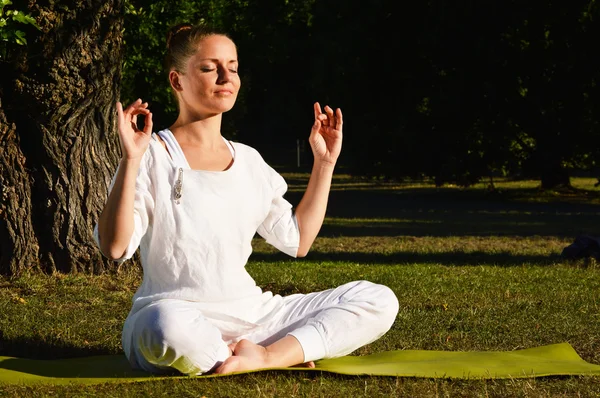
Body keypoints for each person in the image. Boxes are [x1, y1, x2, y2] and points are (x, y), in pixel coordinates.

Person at [94, 23, 399, 376]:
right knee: (162, 328)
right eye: (210, 68)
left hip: (254, 315)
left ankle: (264, 356)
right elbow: (114, 248)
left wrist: (324, 164)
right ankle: (262, 353)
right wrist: (130, 159)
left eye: (233, 68)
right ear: (177, 81)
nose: (226, 77)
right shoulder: (151, 153)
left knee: (377, 299)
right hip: (174, 310)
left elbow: (297, 240)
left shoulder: (249, 160)